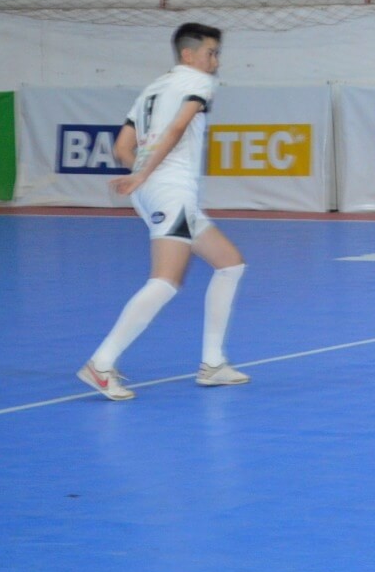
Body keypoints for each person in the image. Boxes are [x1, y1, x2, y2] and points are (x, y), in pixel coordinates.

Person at [77, 23, 250, 401]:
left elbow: (122, 145)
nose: (216, 60)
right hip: (170, 190)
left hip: (158, 189)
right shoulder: (200, 82)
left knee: (230, 263)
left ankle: (213, 364)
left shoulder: (153, 88)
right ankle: (101, 364)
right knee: (166, 280)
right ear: (189, 55)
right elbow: (177, 127)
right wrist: (146, 175)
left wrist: (140, 176)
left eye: (217, 53)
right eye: (211, 53)